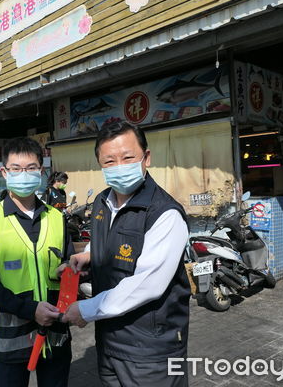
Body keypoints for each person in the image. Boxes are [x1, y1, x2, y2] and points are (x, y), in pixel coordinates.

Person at [62, 120, 190, 387]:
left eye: (127, 157)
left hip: (151, 351)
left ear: (146, 158)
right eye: (109, 161)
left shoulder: (164, 213)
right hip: (109, 341)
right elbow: (108, 240)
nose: (119, 167)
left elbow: (148, 284)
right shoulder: (101, 202)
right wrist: (88, 255)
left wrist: (85, 309)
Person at [0, 137, 75, 387]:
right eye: (16, 169)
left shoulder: (57, 219)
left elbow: (70, 269)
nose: (24, 174)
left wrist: (72, 279)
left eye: (31, 168)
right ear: (4, 173)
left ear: (41, 171)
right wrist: (31, 310)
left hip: (55, 335)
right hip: (11, 338)